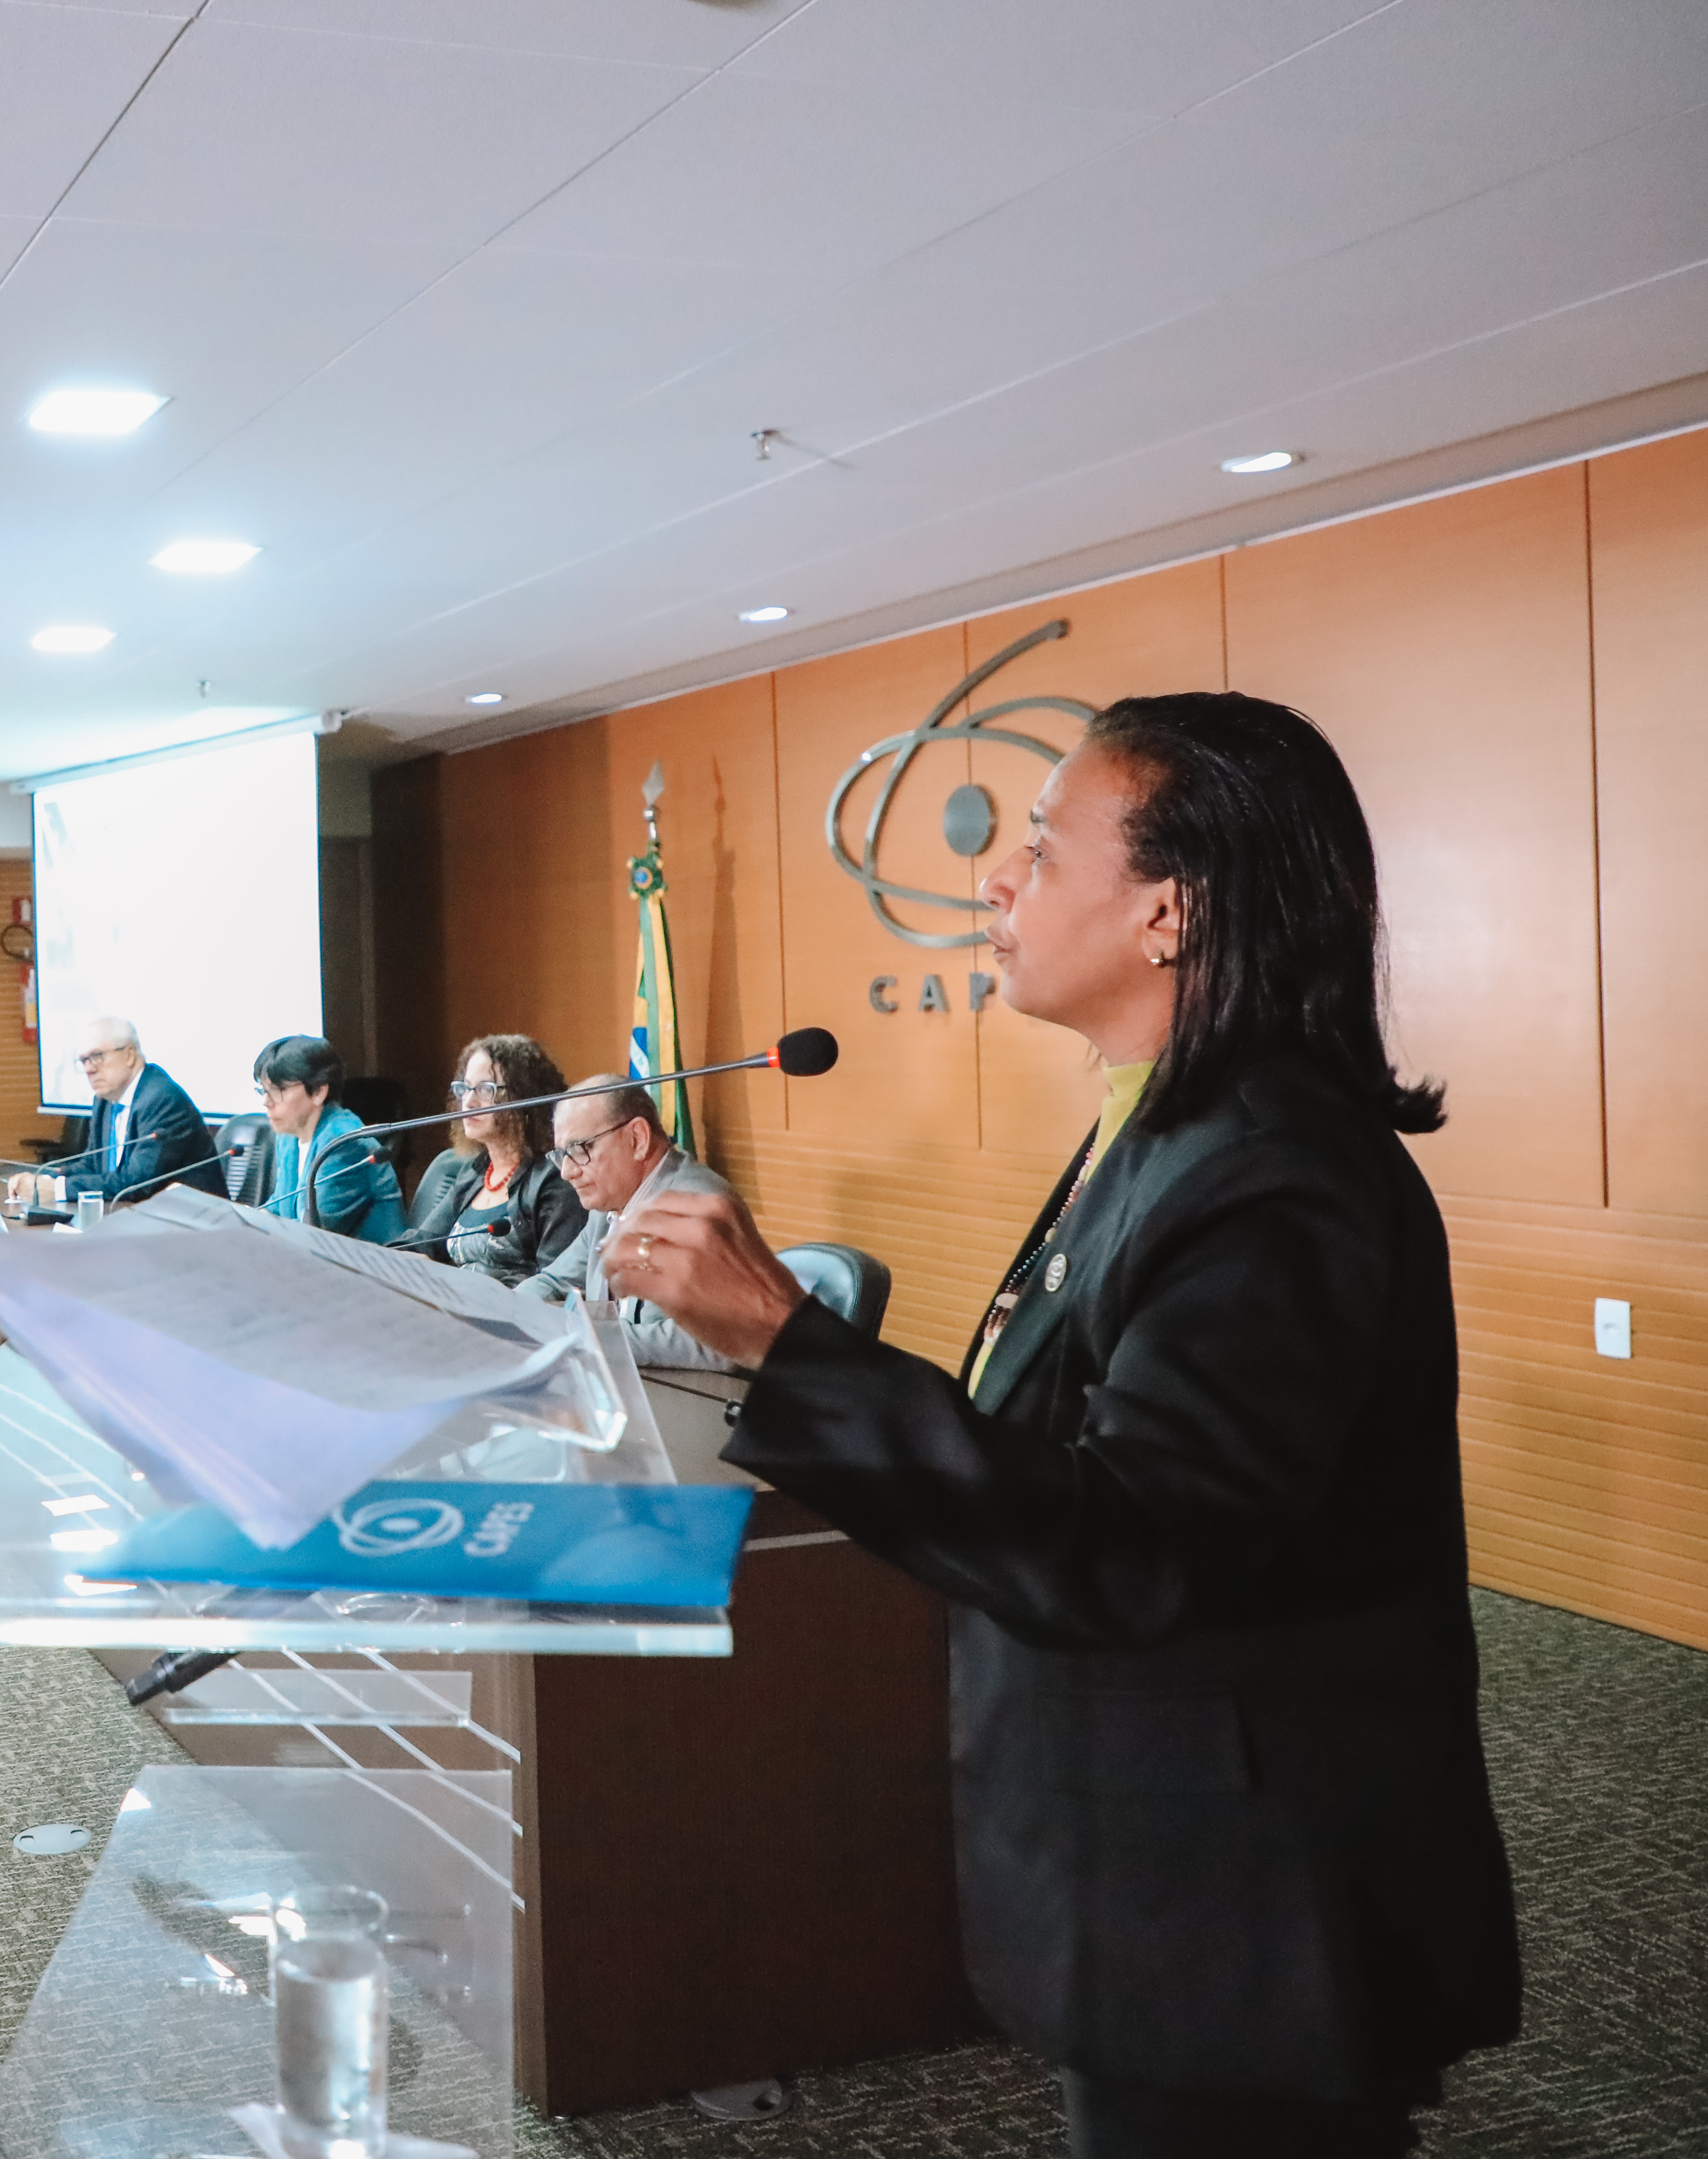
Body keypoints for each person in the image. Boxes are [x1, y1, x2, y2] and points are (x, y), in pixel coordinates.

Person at [606, 694, 1521, 2158]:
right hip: (1166, 1866)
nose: (993, 880)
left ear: (1168, 908)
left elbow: (1134, 1544)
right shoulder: (1157, 1122)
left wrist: (787, 1341)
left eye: (1037, 847)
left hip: (1246, 1907)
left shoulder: (1271, 1174)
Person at [519, 1078, 734, 1368]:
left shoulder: (695, 1205)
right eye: (562, 1155)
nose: (567, 1172)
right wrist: (507, 1311)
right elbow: (553, 1282)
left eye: (580, 1149)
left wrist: (586, 1339)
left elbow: (717, 1345)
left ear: (638, 1139)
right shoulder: (608, 1207)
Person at [403, 1033, 583, 1286]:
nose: (469, 1102)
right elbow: (424, 1243)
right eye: (465, 1088)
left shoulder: (555, 1180)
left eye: (486, 1090)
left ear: (525, 1097)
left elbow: (555, 1284)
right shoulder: (476, 1172)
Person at [229, 1035, 403, 1242]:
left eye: (278, 1090)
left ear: (319, 1091)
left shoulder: (344, 1144)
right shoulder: (289, 1135)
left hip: (370, 1258)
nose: (266, 1102)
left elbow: (317, 1227)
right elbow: (280, 1204)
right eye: (264, 1091)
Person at [27, 1017, 211, 1208]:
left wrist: (60, 1189)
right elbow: (92, 1165)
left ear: (129, 1055)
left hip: (194, 1218)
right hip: (135, 1214)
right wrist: (43, 1180)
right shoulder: (105, 1100)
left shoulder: (162, 1100)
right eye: (84, 1061)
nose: (89, 1069)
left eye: (97, 1056)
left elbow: (137, 1183)